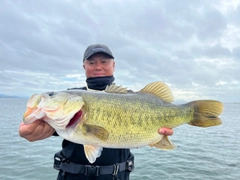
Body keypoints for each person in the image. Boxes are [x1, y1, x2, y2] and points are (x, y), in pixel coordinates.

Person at [19, 44, 174, 180]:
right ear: (84, 66)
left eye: (104, 61)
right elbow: (36, 129)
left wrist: (154, 136)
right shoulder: (71, 99)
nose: (98, 66)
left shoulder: (132, 98)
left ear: (114, 65)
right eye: (91, 62)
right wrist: (33, 130)